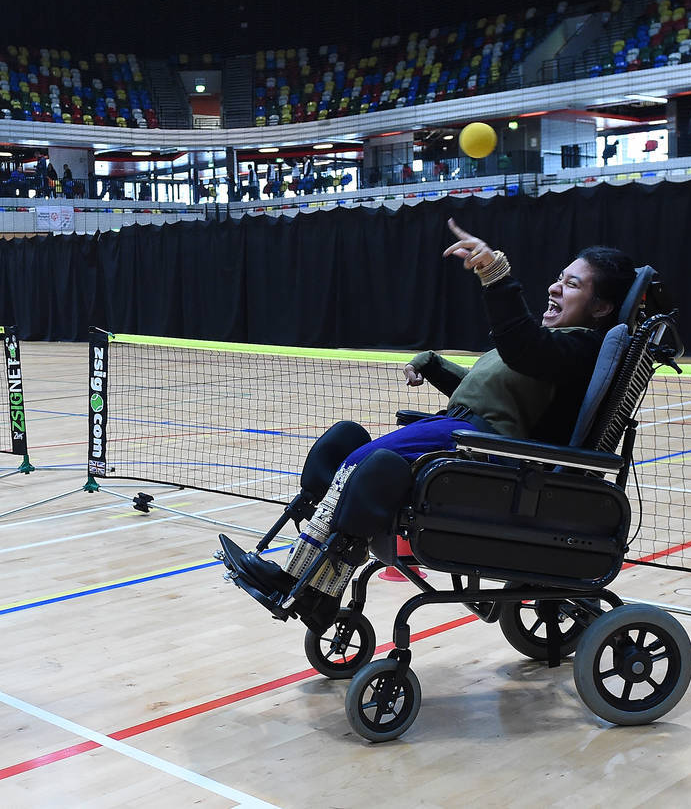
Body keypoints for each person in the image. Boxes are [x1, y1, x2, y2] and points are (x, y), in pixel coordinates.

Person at [224, 218, 636, 627]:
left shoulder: (579, 347)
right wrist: (433, 364)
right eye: (559, 278)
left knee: (368, 463)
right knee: (344, 445)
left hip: (488, 447)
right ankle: (316, 582)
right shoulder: (554, 344)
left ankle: (305, 584)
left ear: (601, 307)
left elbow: (522, 347)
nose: (554, 287)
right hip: (466, 429)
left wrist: (495, 275)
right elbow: (487, 388)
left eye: (573, 284)